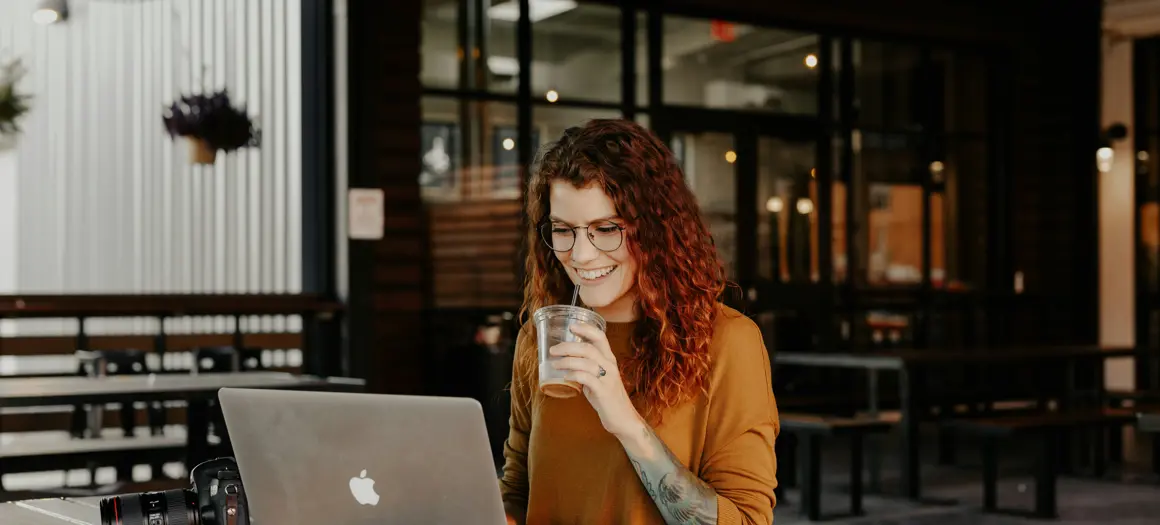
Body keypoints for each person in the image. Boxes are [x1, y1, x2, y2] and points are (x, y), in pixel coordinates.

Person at [500, 119, 779, 524]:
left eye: (606, 229)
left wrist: (626, 422)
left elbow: (748, 521)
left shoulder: (727, 342)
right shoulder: (542, 337)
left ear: (655, 230)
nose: (580, 255)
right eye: (563, 230)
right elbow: (517, 492)